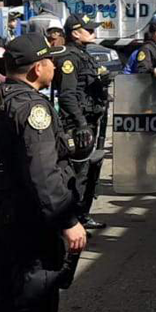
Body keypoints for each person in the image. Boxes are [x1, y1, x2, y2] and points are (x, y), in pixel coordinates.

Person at [0, 33, 85, 312]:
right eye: (50, 62)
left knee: (3, 302)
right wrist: (68, 221)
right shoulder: (33, 108)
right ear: (36, 69)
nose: (55, 68)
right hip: (31, 226)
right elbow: (43, 174)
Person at [51, 14, 111, 231]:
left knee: (90, 171)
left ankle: (83, 215)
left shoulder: (85, 54)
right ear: (75, 33)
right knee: (78, 173)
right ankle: (71, 221)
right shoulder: (69, 58)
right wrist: (80, 123)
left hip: (92, 119)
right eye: (89, 30)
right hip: (77, 125)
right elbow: (67, 95)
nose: (94, 33)